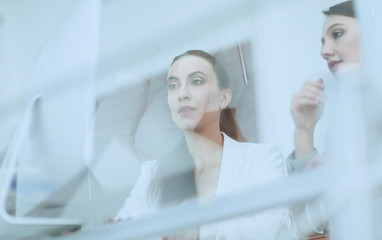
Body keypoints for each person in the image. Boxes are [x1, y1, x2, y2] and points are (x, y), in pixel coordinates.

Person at [114, 50, 286, 239]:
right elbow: (121, 232)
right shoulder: (152, 172)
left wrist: (188, 229)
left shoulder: (262, 159)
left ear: (224, 98)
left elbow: (265, 231)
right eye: (173, 85)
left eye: (196, 81)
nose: (182, 94)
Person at [286, 1, 360, 239]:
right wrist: (304, 131)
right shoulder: (342, 133)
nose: (324, 51)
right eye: (322, 42)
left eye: (337, 34)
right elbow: (311, 223)